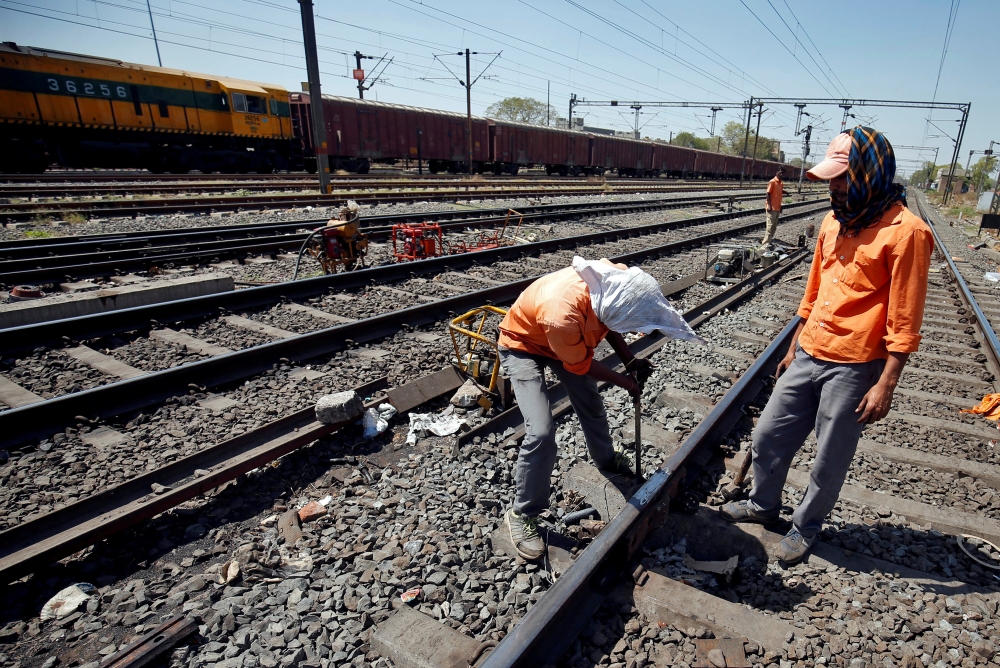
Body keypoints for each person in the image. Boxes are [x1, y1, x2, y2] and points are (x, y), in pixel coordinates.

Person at [720, 127, 933, 564]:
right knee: (767, 436)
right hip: (810, 350)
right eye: (831, 179)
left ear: (868, 174)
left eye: (841, 178)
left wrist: (886, 384)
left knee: (828, 460)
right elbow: (813, 294)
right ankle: (763, 505)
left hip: (855, 366)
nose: (833, 188)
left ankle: (806, 526)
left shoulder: (907, 233)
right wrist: (793, 346)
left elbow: (905, 319)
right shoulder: (833, 221)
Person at [499, 257, 701, 560]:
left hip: (562, 340)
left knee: (591, 405)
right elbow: (580, 365)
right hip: (523, 344)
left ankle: (606, 459)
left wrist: (629, 360)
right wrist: (625, 381)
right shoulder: (562, 316)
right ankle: (521, 514)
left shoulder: (613, 280)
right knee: (540, 431)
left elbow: (609, 324)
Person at [761, 168, 789, 247]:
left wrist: (785, 192)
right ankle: (765, 243)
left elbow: (779, 191)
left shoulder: (781, 183)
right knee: (770, 226)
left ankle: (769, 241)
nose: (781, 174)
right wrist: (769, 205)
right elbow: (768, 194)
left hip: (777, 208)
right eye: (780, 172)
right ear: (777, 172)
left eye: (783, 173)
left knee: (774, 226)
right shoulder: (772, 182)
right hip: (771, 208)